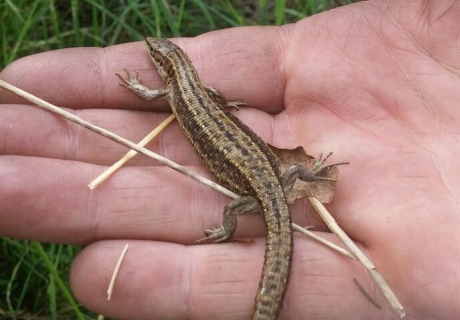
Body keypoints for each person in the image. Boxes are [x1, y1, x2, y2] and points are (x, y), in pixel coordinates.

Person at [1, 0, 459, 319]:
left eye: (158, 54)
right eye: (158, 52)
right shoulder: (189, 88)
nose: (154, 52)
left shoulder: (176, 93)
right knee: (283, 184)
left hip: (253, 189)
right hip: (271, 179)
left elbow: (158, 94)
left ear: (167, 65)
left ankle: (227, 228)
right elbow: (211, 96)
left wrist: (228, 227)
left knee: (241, 208)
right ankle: (302, 177)